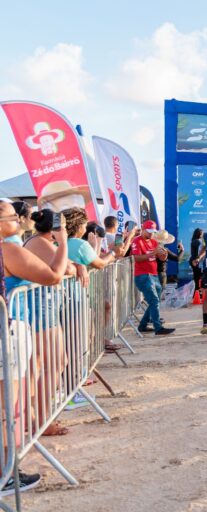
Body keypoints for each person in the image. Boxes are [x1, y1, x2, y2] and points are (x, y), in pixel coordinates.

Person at [0, 202, 72, 495]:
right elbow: (53, 275)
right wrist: (63, 241)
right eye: (12, 215)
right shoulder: (8, 250)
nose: (18, 219)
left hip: (11, 326)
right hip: (9, 329)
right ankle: (6, 473)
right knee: (8, 404)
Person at [130, 220, 175, 336]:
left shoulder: (154, 242)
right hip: (143, 275)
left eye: (152, 231)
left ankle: (143, 325)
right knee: (154, 300)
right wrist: (153, 253)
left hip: (153, 275)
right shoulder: (137, 241)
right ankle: (158, 328)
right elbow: (136, 258)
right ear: (143, 229)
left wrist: (164, 256)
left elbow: (161, 258)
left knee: (155, 301)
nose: (151, 233)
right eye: (149, 231)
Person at [189, 228, 204, 297]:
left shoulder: (194, 241)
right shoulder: (198, 241)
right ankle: (197, 292)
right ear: (199, 234)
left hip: (194, 260)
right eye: (202, 233)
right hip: (196, 261)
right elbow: (203, 249)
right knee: (198, 277)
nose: (202, 235)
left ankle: (196, 292)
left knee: (196, 277)